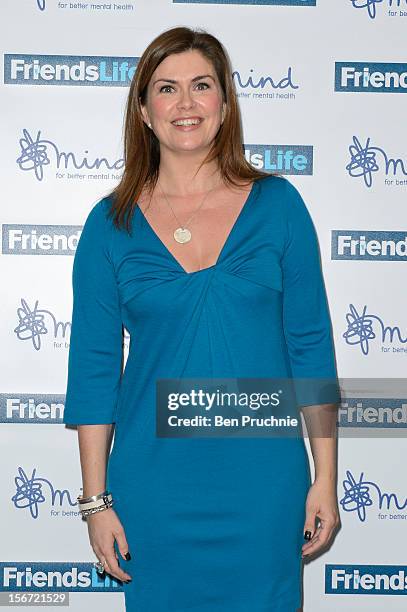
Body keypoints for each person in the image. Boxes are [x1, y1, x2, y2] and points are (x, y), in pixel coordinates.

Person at [63, 26, 341, 612]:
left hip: (264, 484)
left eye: (201, 86)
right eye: (167, 88)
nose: (185, 104)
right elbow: (93, 370)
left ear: (224, 103)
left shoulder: (279, 206)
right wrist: (96, 502)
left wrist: (325, 477)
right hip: (154, 487)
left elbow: (310, 347)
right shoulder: (108, 225)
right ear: (143, 109)